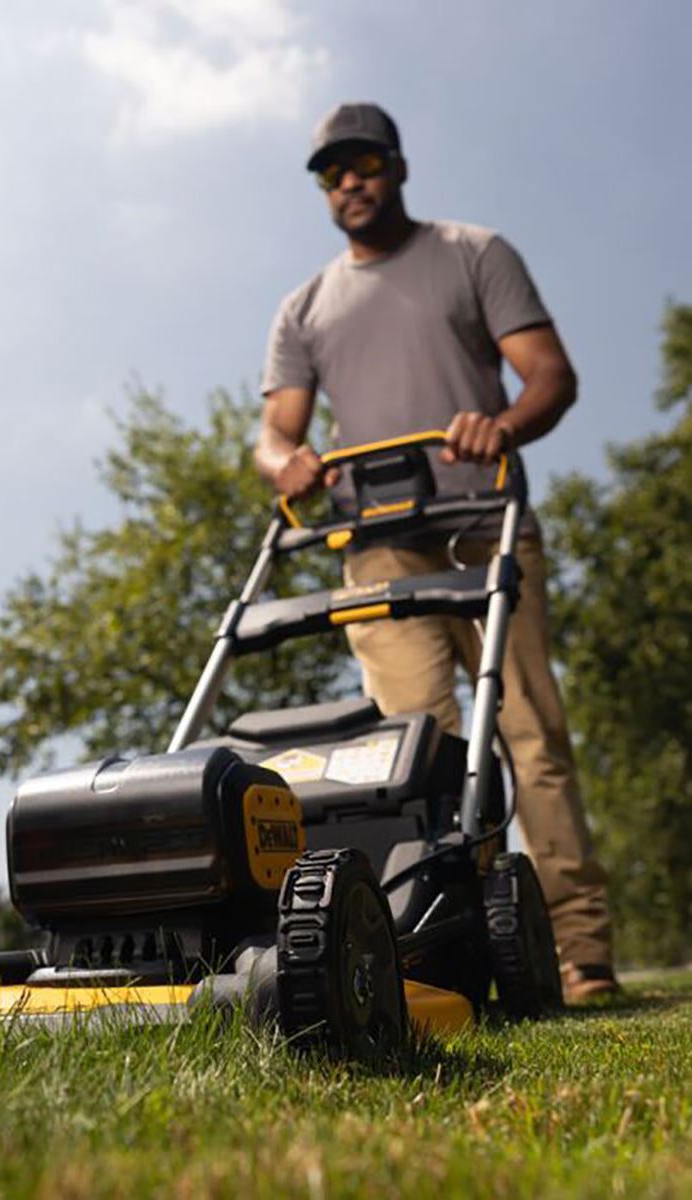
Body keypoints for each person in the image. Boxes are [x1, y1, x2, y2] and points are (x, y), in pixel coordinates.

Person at [254, 102, 618, 1004]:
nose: (350, 181)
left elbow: (550, 375)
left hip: (483, 526)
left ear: (398, 166)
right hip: (376, 550)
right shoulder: (304, 307)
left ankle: (581, 950)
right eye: (332, 171)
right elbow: (274, 433)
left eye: (365, 163)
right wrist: (286, 462)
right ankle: (462, 948)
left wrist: (501, 425)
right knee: (419, 754)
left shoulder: (472, 252)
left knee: (530, 735)